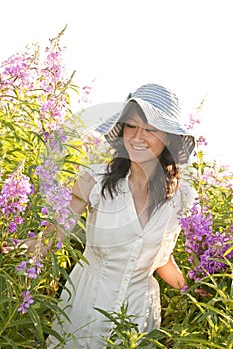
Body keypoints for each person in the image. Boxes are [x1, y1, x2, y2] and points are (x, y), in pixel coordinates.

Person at [47, 83, 196, 348]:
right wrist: (21, 246)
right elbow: (54, 235)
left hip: (139, 315)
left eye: (151, 129)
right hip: (88, 304)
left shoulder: (180, 197)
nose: (138, 137)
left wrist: (194, 287)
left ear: (168, 138)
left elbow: (160, 259)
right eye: (131, 126)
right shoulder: (93, 180)